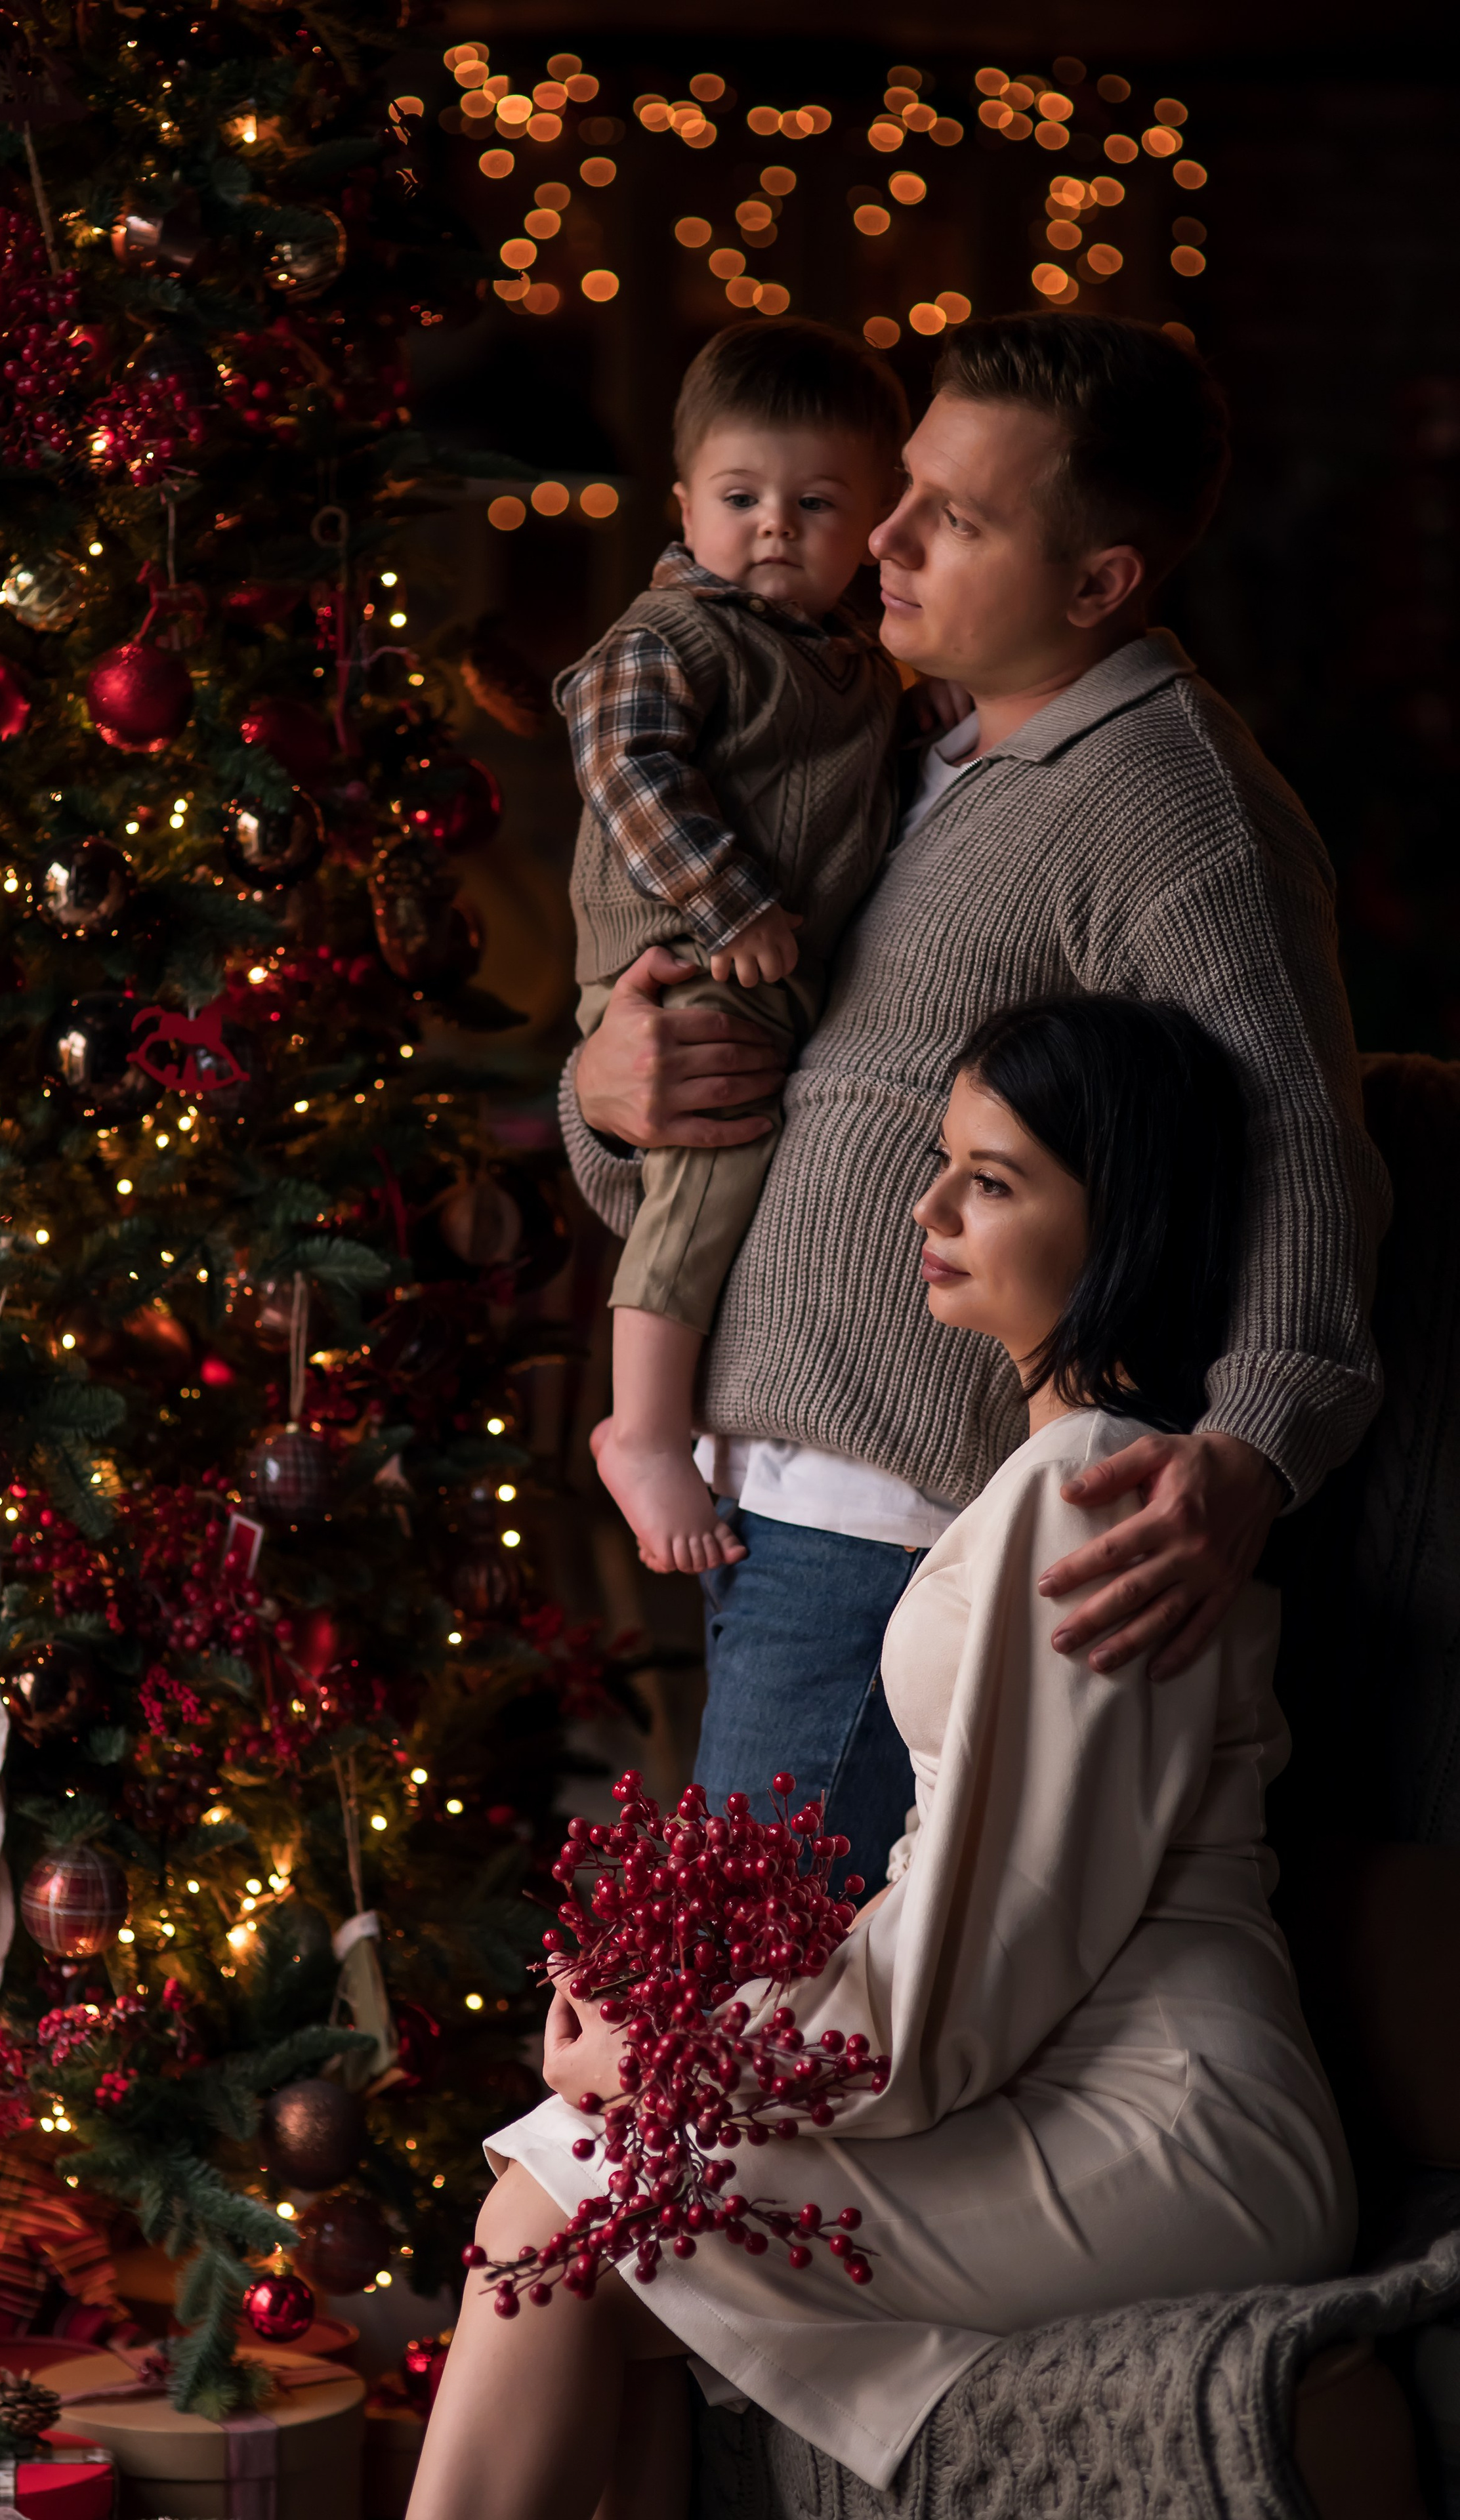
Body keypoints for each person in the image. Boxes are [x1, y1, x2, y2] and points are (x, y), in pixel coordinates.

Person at [407, 995, 1356, 2520]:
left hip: (1174, 2128)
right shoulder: (1056, 1476)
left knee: (553, 2204)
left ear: (1116, 1218)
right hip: (1083, 2084)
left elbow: (957, 1992)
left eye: (990, 1177)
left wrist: (663, 2063)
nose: (924, 1207)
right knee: (606, 2233)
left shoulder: (1087, 1494)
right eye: (938, 1161)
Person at [564, 312, 1390, 1897]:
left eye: (955, 514)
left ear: (1098, 584)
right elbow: (765, 1086)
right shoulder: (896, 745)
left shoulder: (1170, 810)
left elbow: (1300, 1147)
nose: (880, 535)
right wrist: (605, 1095)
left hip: (902, 1535)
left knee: (742, 2031)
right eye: (904, 491)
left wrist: (1251, 1445)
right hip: (774, 1497)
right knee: (760, 2039)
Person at [560, 320, 915, 1577]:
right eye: (741, 496)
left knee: (720, 1165)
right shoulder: (676, 636)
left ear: (877, 518)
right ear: (683, 504)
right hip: (687, 953)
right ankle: (643, 1430)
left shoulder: (854, 665)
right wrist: (732, 904)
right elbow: (622, 756)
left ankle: (662, 1417)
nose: (775, 525)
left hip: (760, 967)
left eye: (817, 502)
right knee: (711, 1163)